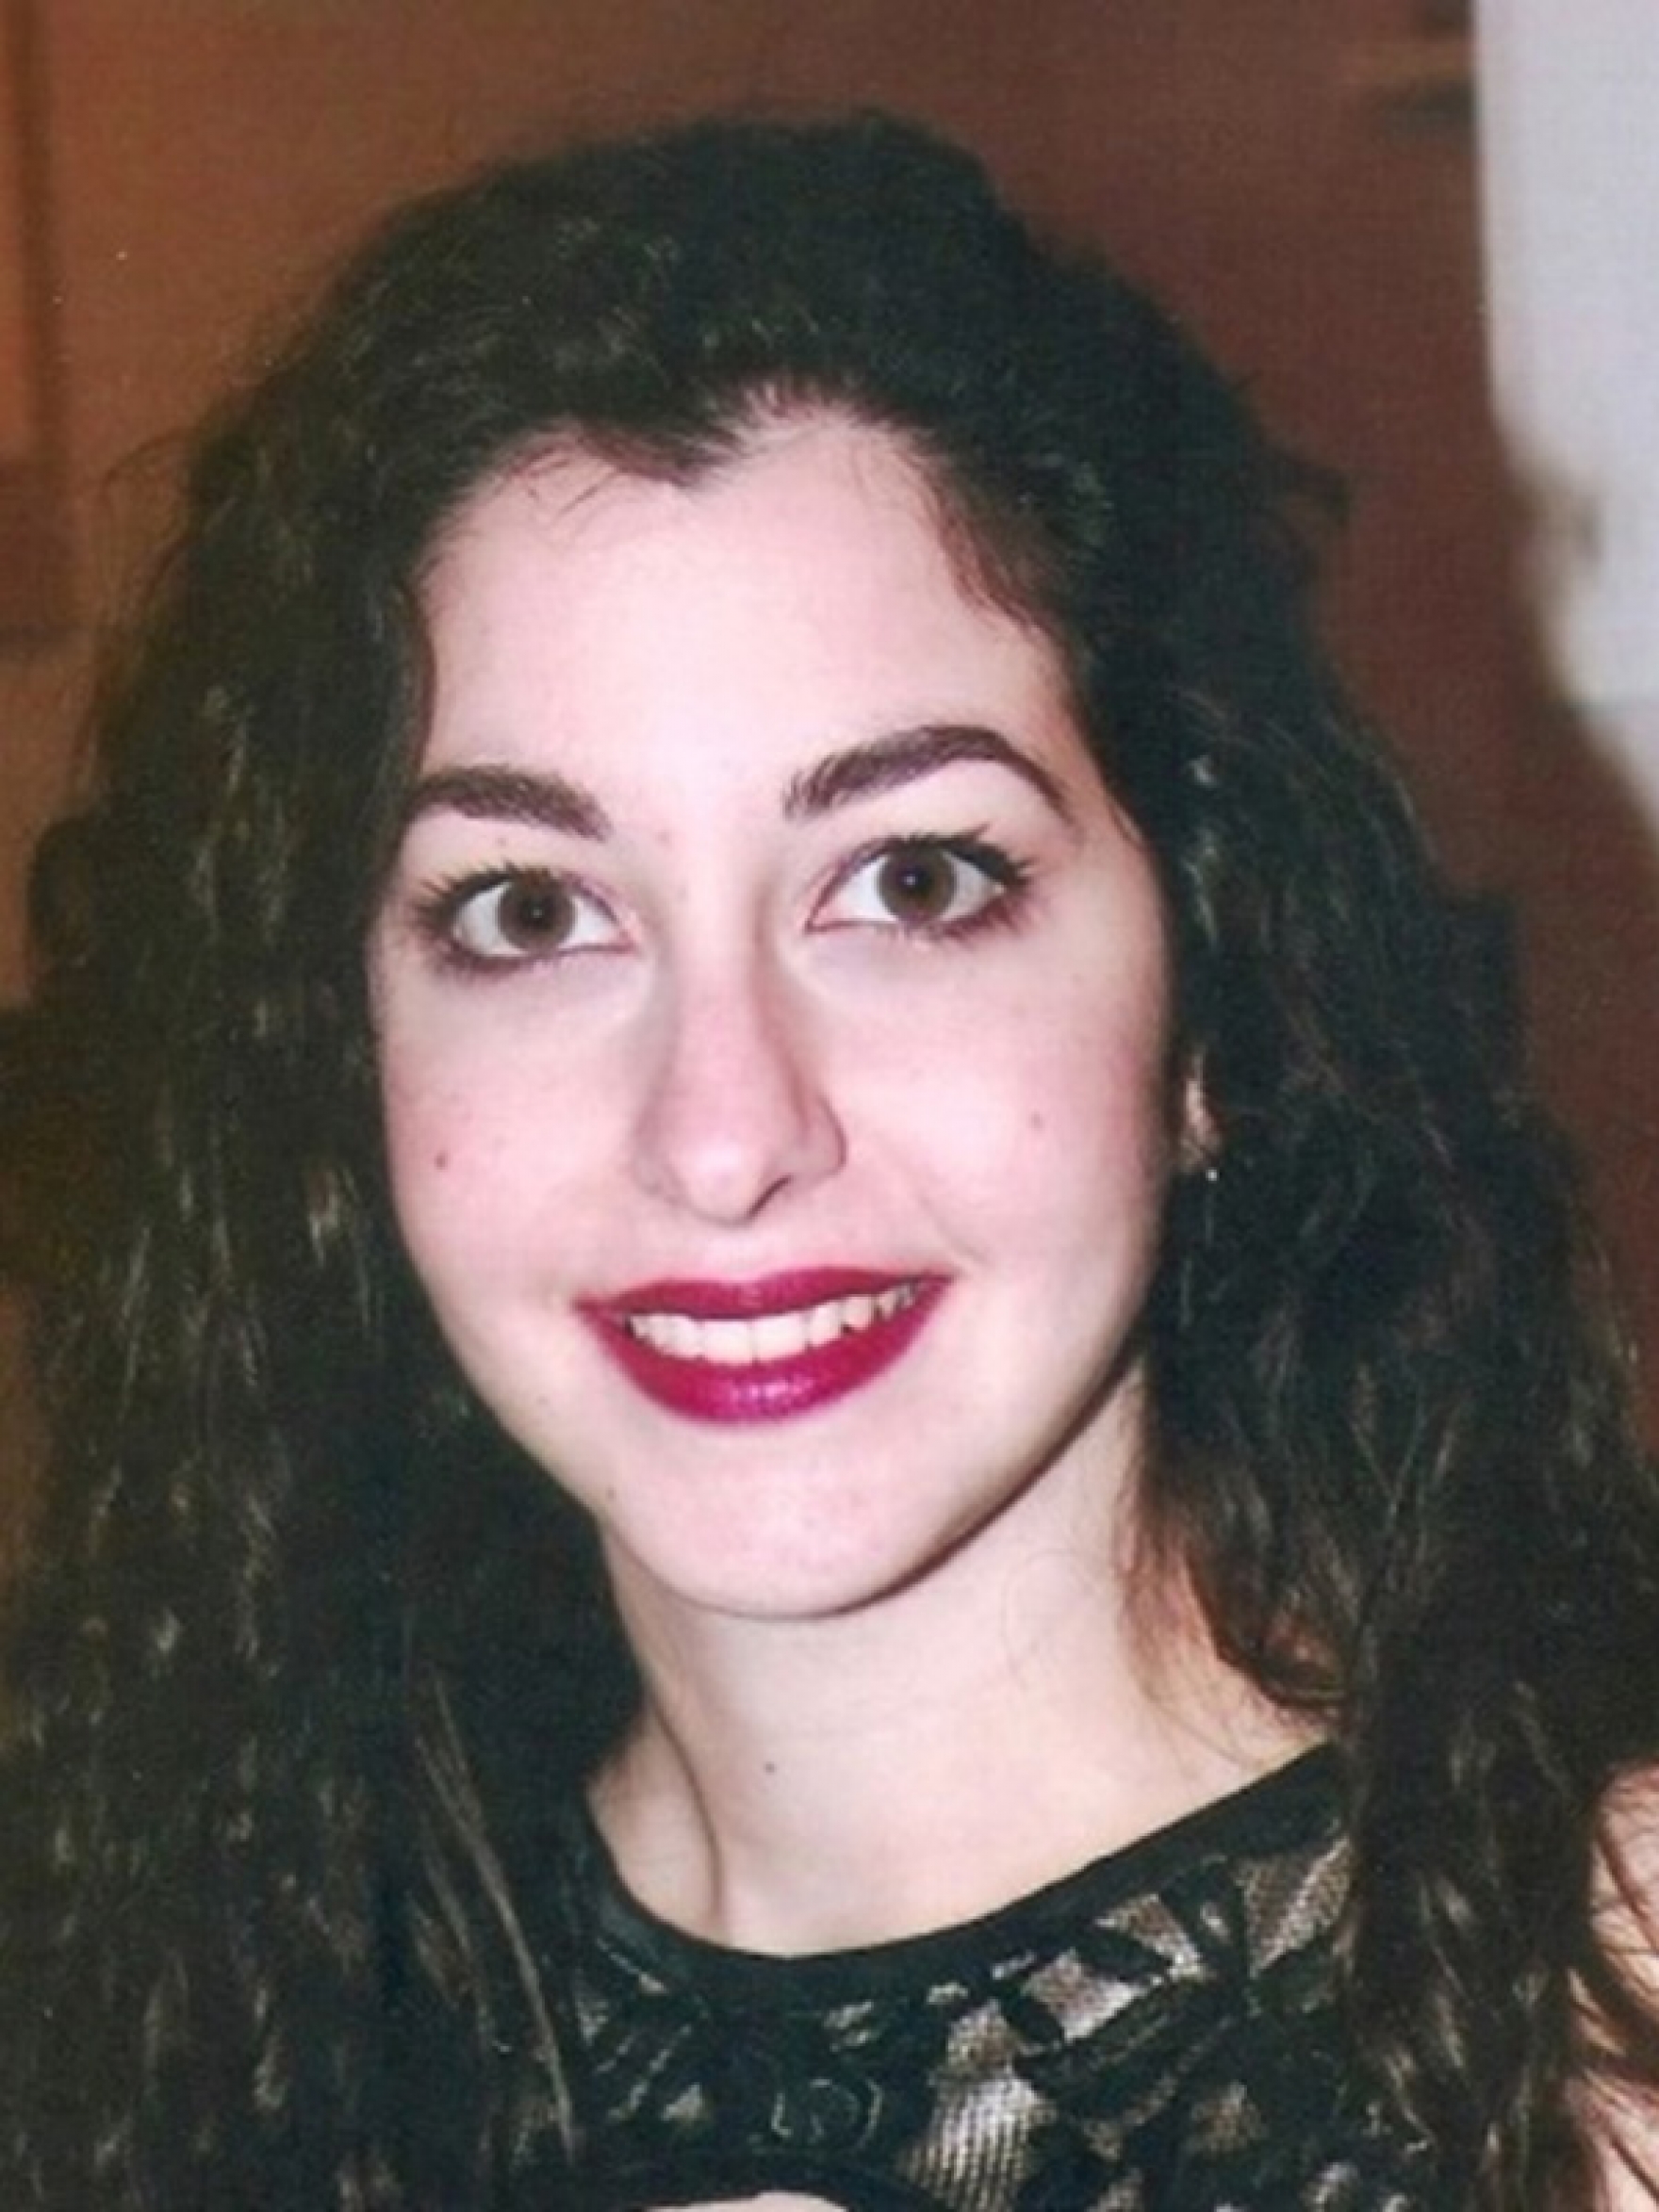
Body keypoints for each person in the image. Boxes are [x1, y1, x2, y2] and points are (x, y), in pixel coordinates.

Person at [2, 107, 1658, 2212]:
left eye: (912, 880)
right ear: (349, 1053)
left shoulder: (1606, 2016)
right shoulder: (167, 1993)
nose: (723, 1134)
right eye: (530, 910)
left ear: (1212, 1003)